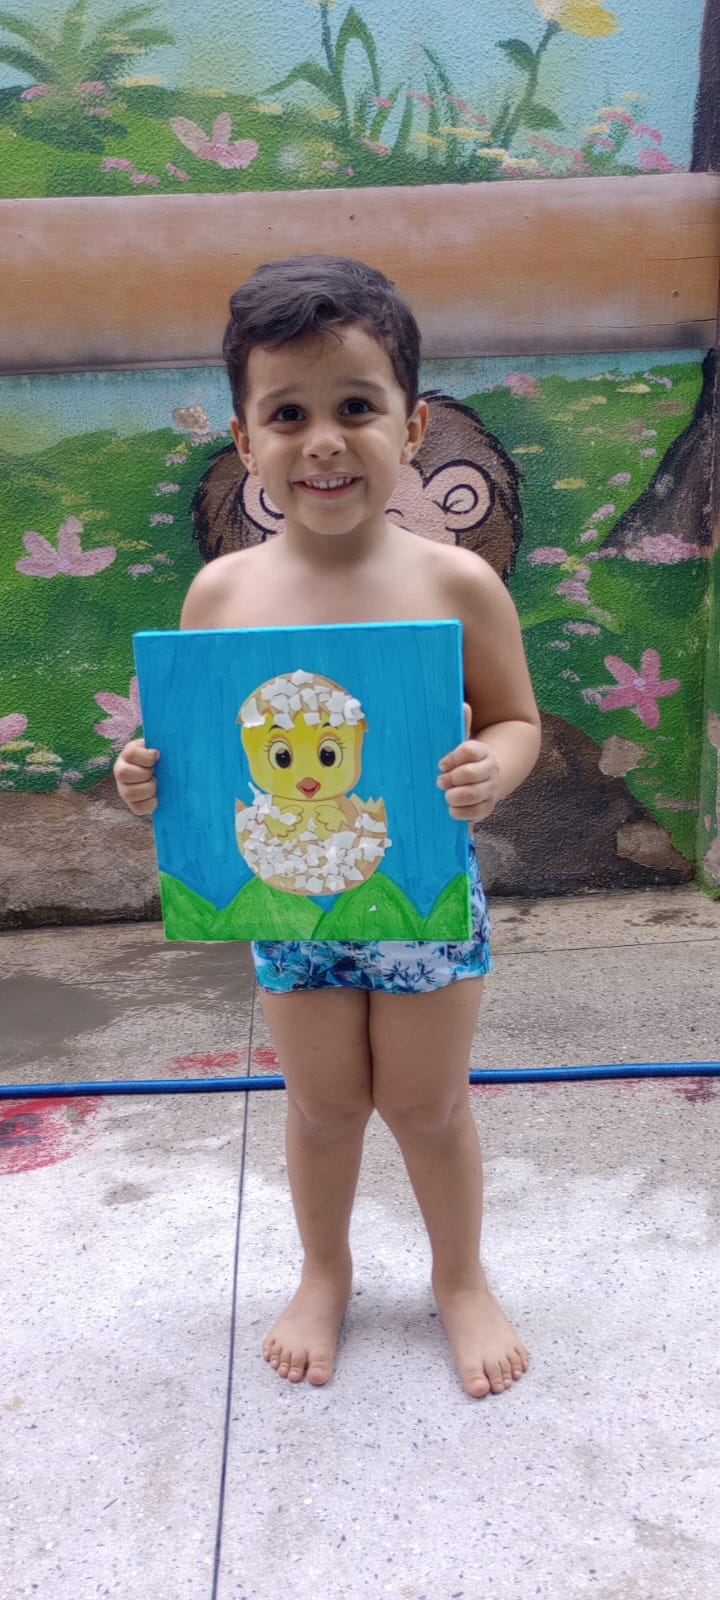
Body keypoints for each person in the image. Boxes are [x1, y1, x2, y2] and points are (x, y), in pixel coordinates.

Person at [114, 255, 541, 1399]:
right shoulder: (222, 597)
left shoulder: (458, 584)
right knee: (322, 1102)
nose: (324, 442)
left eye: (356, 405)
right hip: (287, 907)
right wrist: (147, 778)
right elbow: (195, 755)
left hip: (422, 899)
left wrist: (490, 769)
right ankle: (324, 1270)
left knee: (427, 1103)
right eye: (288, 414)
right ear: (245, 441)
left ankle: (460, 1278)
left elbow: (516, 719)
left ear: (413, 423)